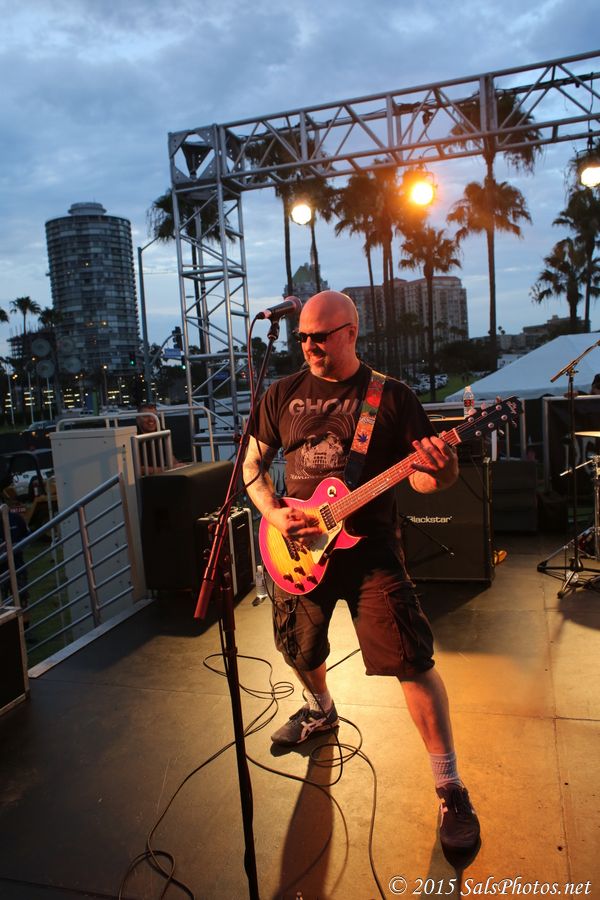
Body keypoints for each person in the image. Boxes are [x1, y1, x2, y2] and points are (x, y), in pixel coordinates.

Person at [242, 290, 480, 852]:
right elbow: (251, 465)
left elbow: (423, 478)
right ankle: (321, 710)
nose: (309, 346)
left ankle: (449, 786)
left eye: (320, 337)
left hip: (371, 552)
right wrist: (274, 514)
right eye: (302, 337)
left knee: (412, 660)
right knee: (298, 648)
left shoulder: (390, 397)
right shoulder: (280, 394)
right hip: (297, 551)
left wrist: (441, 470)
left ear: (350, 332)